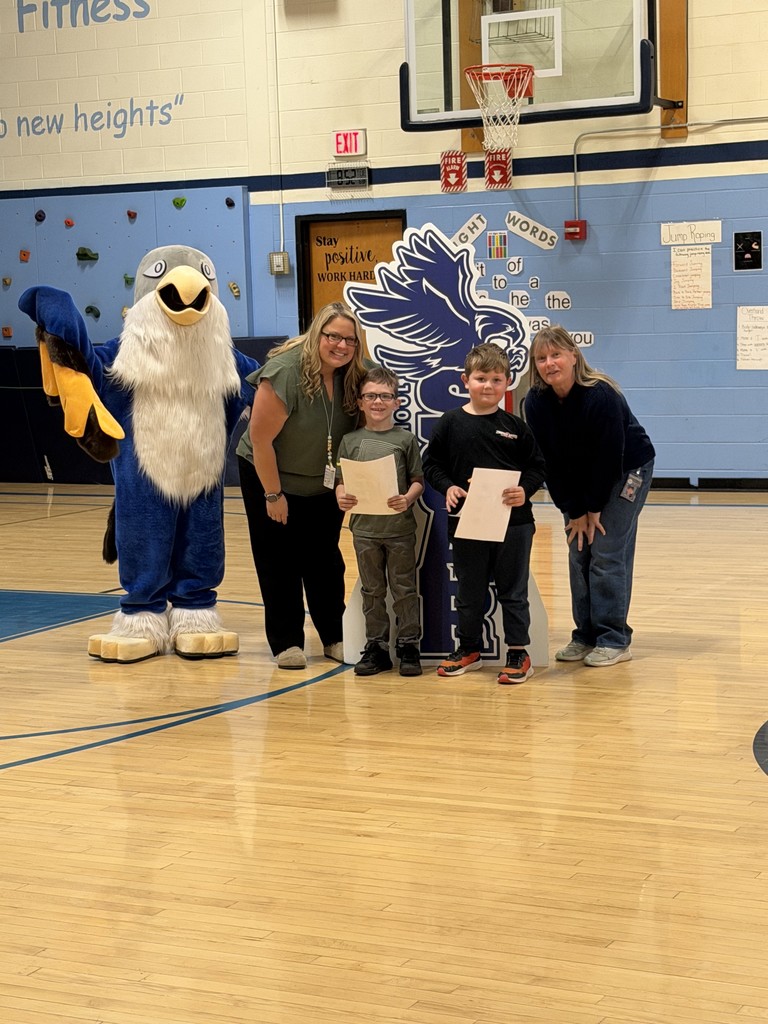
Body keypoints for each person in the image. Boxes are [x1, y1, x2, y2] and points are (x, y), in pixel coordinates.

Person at [237, 302, 370, 669]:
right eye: (333, 337)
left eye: (350, 340)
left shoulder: (357, 374)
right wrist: (273, 495)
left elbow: (380, 399)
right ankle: (286, 642)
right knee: (278, 557)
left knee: (325, 558)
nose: (341, 346)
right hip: (269, 474)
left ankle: (335, 635)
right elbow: (260, 442)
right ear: (317, 336)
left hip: (322, 480)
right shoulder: (285, 373)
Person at [524, 325, 655, 667]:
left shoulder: (602, 395)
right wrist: (573, 509)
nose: (549, 363)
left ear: (573, 356)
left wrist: (593, 509)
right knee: (579, 550)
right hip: (579, 479)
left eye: (556, 355)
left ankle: (614, 639)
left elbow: (609, 459)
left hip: (628, 471)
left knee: (607, 551)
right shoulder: (536, 402)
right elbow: (549, 461)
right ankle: (585, 635)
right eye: (541, 358)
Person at [422, 343, 546, 685]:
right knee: (469, 590)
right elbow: (431, 465)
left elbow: (537, 467)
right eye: (480, 378)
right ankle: (470, 649)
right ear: (466, 380)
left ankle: (519, 652)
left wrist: (525, 490)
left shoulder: (515, 426)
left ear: (507, 382)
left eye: (496, 379)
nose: (488, 386)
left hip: (514, 524)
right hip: (467, 521)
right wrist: (447, 486)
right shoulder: (449, 423)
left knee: (512, 590)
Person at [336, 367, 424, 678]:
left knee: (404, 588)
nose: (378, 402)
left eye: (385, 396)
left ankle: (409, 644)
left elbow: (417, 480)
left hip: (399, 530)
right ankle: (377, 647)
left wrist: (408, 498)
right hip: (364, 530)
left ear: (397, 402)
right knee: (372, 590)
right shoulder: (350, 440)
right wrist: (341, 496)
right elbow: (341, 481)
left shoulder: (405, 439)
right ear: (360, 402)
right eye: (371, 396)